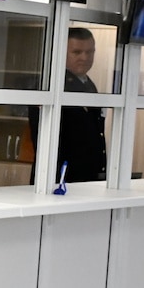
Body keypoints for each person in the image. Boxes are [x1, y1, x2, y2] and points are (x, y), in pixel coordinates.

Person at [57, 26, 108, 182]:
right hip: (64, 177)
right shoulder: (55, 84)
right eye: (77, 52)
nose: (84, 58)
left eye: (89, 52)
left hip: (87, 176)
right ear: (62, 52)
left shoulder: (88, 84)